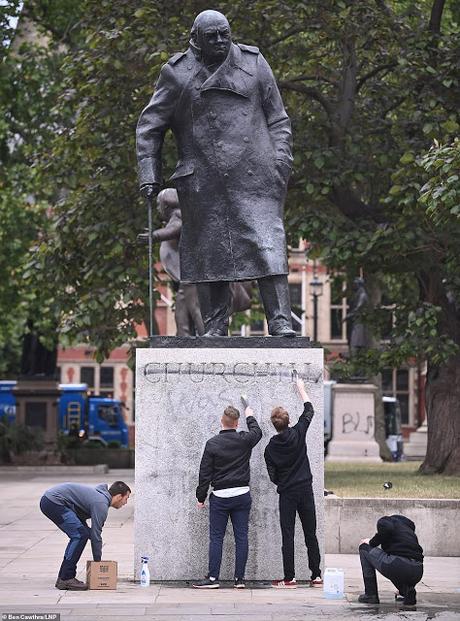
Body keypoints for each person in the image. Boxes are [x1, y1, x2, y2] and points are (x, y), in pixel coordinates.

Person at [136, 10, 295, 337]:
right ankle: (215, 326)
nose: (222, 41)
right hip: (203, 179)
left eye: (225, 34)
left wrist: (281, 163)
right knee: (211, 252)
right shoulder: (177, 74)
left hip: (257, 177)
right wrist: (149, 173)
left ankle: (280, 322)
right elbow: (150, 127)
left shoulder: (253, 63)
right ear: (196, 38)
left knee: (268, 244)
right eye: (213, 37)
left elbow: (278, 119)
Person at [193, 403, 262, 589]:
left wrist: (201, 497)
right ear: (237, 423)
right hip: (242, 495)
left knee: (216, 537)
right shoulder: (244, 439)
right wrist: (250, 415)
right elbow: (258, 432)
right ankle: (239, 579)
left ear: (221, 421)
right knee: (242, 536)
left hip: (220, 497)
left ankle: (213, 578)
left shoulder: (212, 443)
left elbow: (204, 474)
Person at [264, 376, 321, 588]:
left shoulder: (270, 448)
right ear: (289, 421)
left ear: (274, 424)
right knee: (310, 534)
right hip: (305, 489)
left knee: (288, 535)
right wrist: (301, 389)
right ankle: (316, 575)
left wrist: (283, 481)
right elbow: (309, 411)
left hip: (287, 493)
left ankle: (290, 578)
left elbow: (273, 475)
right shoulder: (298, 433)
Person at [39, 481, 131, 590]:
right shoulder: (101, 504)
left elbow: (87, 528)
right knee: (79, 535)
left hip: (51, 500)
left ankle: (63, 578)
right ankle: (66, 578)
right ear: (119, 496)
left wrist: (90, 535)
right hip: (54, 502)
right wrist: (98, 563)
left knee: (82, 534)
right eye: (126, 498)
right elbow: (96, 535)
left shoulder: (99, 497)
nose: (125, 503)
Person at [358, 515, 424, 606]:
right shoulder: (407, 530)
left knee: (364, 548)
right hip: (418, 571)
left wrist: (371, 542)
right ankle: (406, 591)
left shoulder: (386, 521)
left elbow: (387, 528)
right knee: (394, 561)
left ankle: (370, 594)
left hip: (398, 565)